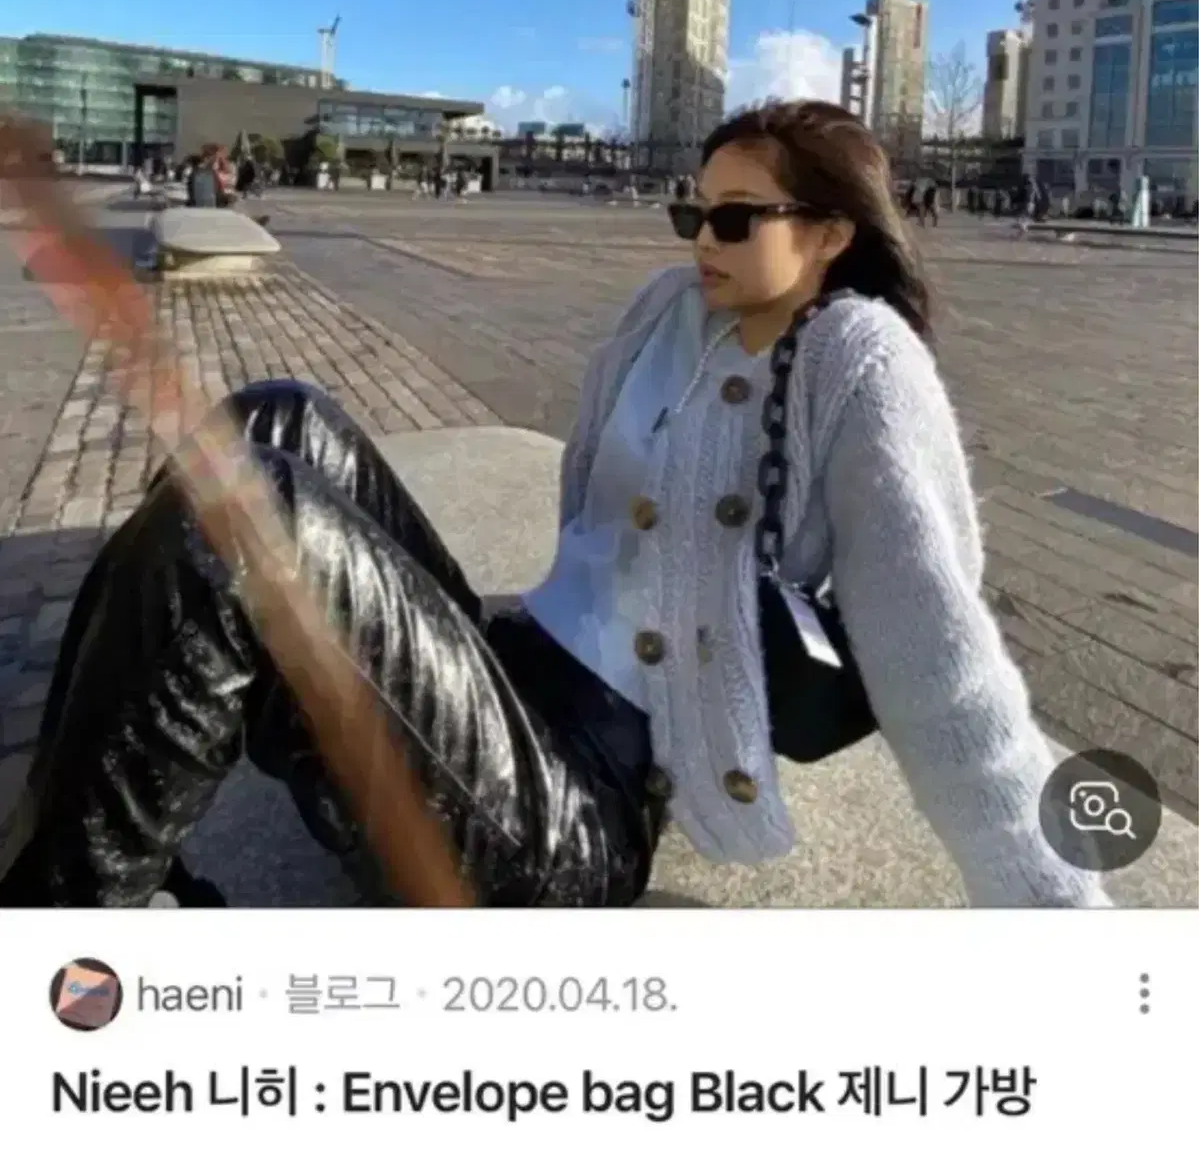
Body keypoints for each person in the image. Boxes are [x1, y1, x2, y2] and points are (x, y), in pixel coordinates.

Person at [0, 100, 1108, 911]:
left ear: (829, 233)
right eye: (691, 212)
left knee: (249, 521)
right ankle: (79, 827)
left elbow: (939, 664)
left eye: (735, 221)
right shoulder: (668, 311)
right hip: (510, 675)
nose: (700, 241)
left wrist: (1058, 916)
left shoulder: (858, 362)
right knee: (272, 418)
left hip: (572, 807)